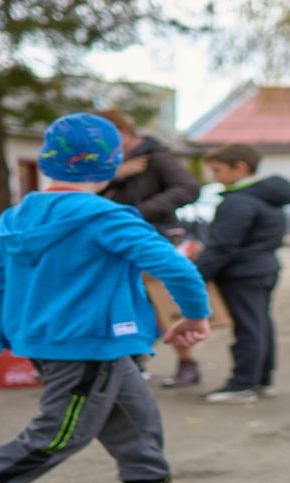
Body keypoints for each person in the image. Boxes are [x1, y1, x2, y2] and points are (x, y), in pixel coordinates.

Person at [0, 113, 216, 483]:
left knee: (135, 411)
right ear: (112, 163)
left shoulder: (17, 215)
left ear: (46, 161)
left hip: (61, 342)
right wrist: (195, 316)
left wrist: (4, 332)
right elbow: (176, 266)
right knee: (58, 435)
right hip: (87, 343)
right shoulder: (109, 217)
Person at [97, 107, 203, 388]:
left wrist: (138, 213)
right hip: (117, 238)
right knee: (127, 300)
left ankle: (187, 363)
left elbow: (188, 188)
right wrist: (117, 174)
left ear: (122, 131)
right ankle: (133, 358)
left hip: (154, 233)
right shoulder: (113, 163)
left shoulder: (157, 157)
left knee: (163, 300)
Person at [195, 144, 290, 403]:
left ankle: (242, 383)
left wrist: (197, 277)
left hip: (242, 274)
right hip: (264, 268)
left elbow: (222, 246)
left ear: (240, 167)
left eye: (217, 170)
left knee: (248, 328)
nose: (214, 177)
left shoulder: (238, 202)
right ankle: (262, 379)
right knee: (260, 324)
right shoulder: (266, 197)